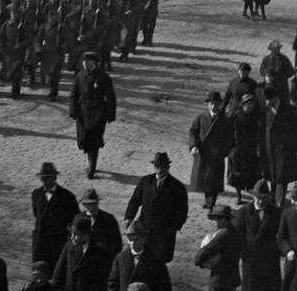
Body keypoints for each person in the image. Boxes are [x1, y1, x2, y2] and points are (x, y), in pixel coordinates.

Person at [235, 180, 283, 291]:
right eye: (258, 197)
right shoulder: (243, 212)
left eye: (264, 197)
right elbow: (237, 234)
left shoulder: (276, 213)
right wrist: (244, 254)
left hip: (268, 260)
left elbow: (281, 235)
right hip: (250, 261)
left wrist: (277, 252)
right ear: (253, 197)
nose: (261, 201)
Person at [124, 153, 188, 264]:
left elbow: (182, 211)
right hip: (144, 229)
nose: (160, 169)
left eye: (163, 166)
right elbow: (135, 200)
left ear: (168, 167)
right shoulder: (146, 181)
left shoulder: (177, 187)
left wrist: (172, 228)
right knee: (142, 257)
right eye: (157, 166)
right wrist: (128, 218)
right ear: (154, 167)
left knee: (159, 260)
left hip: (163, 233)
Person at [68, 51, 116, 179]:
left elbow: (111, 97)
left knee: (94, 139)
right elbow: (74, 94)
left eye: (87, 61)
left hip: (98, 113)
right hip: (83, 112)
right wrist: (72, 110)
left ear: (95, 62)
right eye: (84, 61)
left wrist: (111, 114)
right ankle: (91, 163)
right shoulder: (80, 75)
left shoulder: (103, 77)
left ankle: (91, 167)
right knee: (84, 139)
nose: (85, 63)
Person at [189, 91, 234, 211]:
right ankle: (208, 200)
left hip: (216, 155)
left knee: (214, 180)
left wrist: (224, 151)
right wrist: (193, 146)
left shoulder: (225, 120)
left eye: (216, 104)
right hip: (203, 153)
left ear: (220, 105)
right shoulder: (201, 118)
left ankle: (211, 203)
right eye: (211, 104)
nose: (214, 106)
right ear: (207, 105)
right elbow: (193, 132)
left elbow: (230, 138)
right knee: (204, 179)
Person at [31, 162, 80, 267]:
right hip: (40, 242)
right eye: (43, 179)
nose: (45, 182)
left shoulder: (67, 197)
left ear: (54, 178)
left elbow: (75, 219)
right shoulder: (36, 194)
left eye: (48, 178)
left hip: (57, 244)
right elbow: (37, 214)